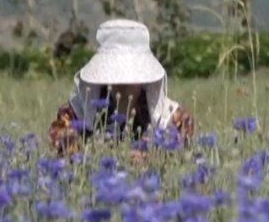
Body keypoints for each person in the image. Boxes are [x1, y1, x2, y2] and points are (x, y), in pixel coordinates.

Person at [48, 19, 194, 156]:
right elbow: (63, 159)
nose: (124, 84)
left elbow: (183, 161)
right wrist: (99, 154)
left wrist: (151, 157)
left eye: (132, 75)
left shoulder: (173, 119)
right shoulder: (74, 113)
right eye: (116, 75)